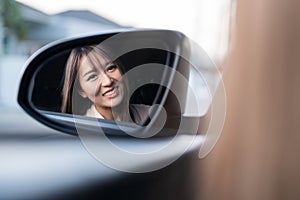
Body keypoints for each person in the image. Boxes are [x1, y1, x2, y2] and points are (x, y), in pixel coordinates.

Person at [61, 45, 149, 124]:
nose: (107, 81)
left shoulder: (152, 114)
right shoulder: (81, 128)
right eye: (92, 77)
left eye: (111, 68)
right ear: (81, 91)